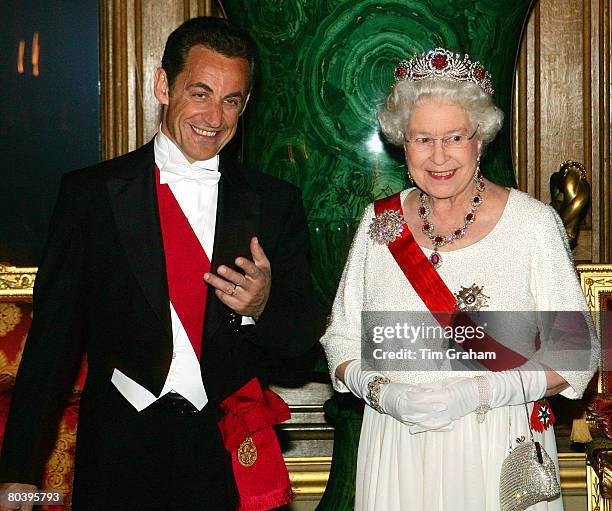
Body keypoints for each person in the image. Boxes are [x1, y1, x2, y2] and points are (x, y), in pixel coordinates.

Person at [0, 16, 318, 511]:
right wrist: (19, 471)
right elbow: (51, 344)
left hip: (224, 452)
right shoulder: (91, 196)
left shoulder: (275, 204)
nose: (214, 117)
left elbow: (300, 341)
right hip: (119, 455)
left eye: (231, 100)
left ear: (246, 105)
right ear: (162, 86)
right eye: (200, 93)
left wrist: (263, 304)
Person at [320, 47, 599, 511]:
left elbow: (577, 356)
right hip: (397, 444)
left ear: (480, 139)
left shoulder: (532, 223)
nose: (438, 157)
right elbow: (341, 341)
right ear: (401, 143)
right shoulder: (378, 223)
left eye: (454, 137)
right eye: (421, 139)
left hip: (496, 445)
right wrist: (383, 393)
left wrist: (482, 389)